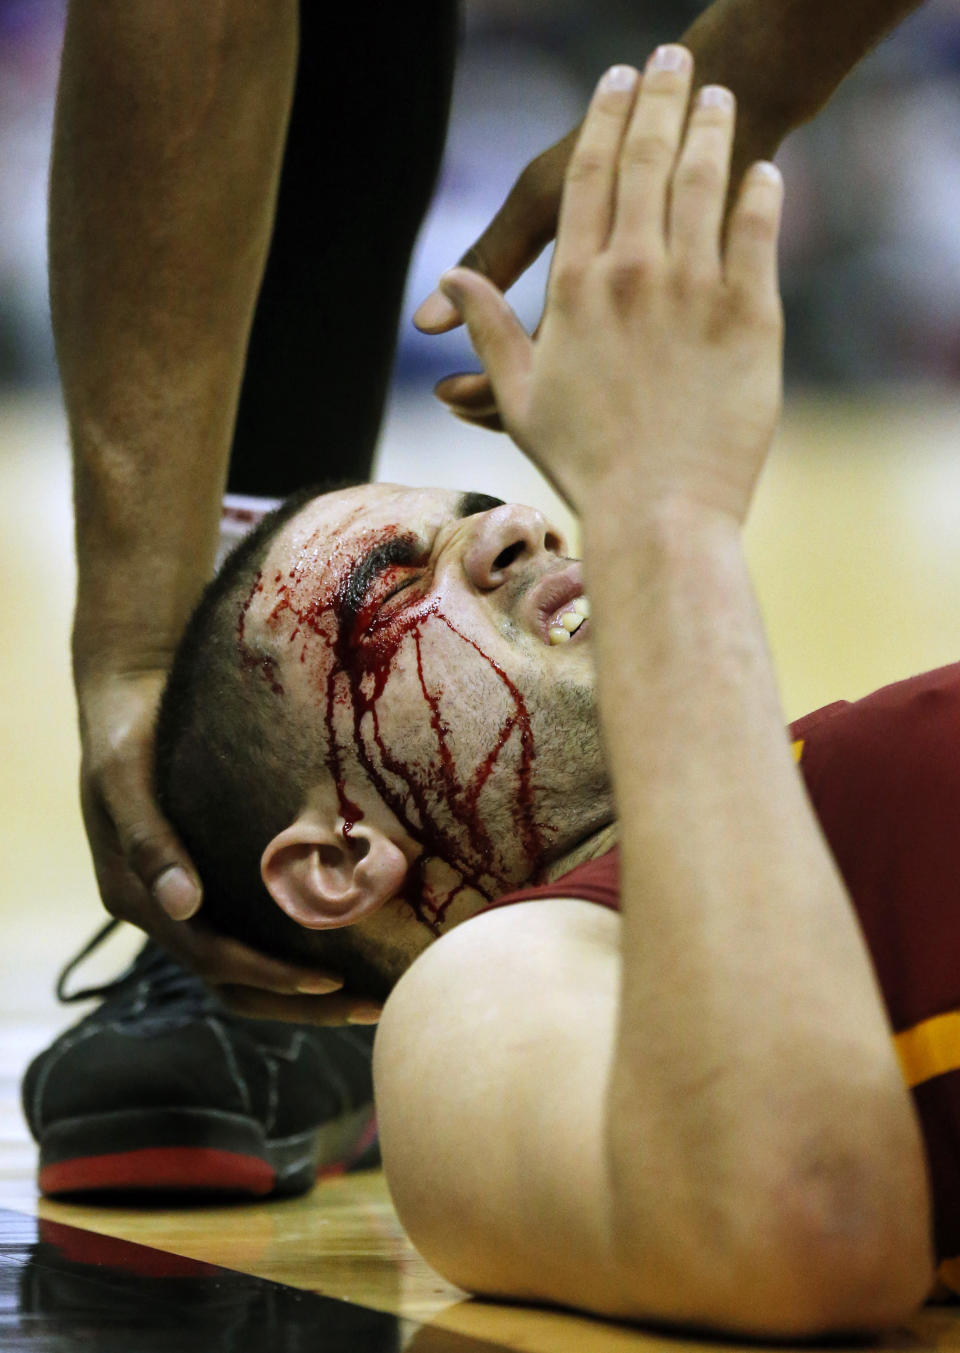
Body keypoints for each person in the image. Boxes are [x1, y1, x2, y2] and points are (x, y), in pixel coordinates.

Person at [28, 0, 923, 1200]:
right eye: (393, 580)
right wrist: (671, 524)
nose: (521, 519)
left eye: (470, 513)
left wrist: (720, 90)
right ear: (341, 860)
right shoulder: (500, 1008)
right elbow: (811, 1211)